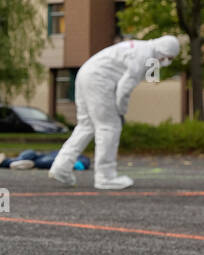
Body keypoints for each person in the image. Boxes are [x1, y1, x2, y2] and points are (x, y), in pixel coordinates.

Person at [48, 36, 180, 190]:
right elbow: (124, 88)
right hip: (99, 79)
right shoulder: (144, 55)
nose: (167, 61)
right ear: (164, 51)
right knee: (110, 126)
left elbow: (141, 79)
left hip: (85, 73)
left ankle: (61, 167)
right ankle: (106, 176)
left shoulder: (140, 48)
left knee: (86, 126)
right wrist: (121, 111)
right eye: (169, 58)